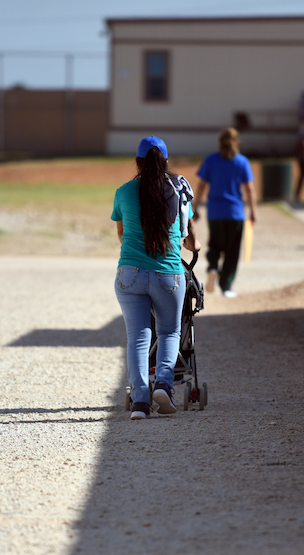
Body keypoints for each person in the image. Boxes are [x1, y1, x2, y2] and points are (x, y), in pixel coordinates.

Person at [112, 136, 198, 420]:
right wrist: (193, 246)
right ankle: (163, 384)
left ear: (137, 162)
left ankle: (139, 402)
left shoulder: (123, 192)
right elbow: (188, 236)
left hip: (130, 274)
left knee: (137, 336)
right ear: (166, 162)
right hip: (168, 275)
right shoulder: (177, 191)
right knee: (170, 332)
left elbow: (122, 235)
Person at [194, 128, 257, 299]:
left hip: (215, 212)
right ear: (237, 143)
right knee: (232, 251)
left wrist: (195, 207)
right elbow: (250, 189)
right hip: (235, 213)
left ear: (219, 142)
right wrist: (253, 211)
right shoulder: (242, 162)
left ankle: (212, 268)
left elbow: (201, 185)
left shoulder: (211, 160)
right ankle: (226, 286)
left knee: (215, 245)